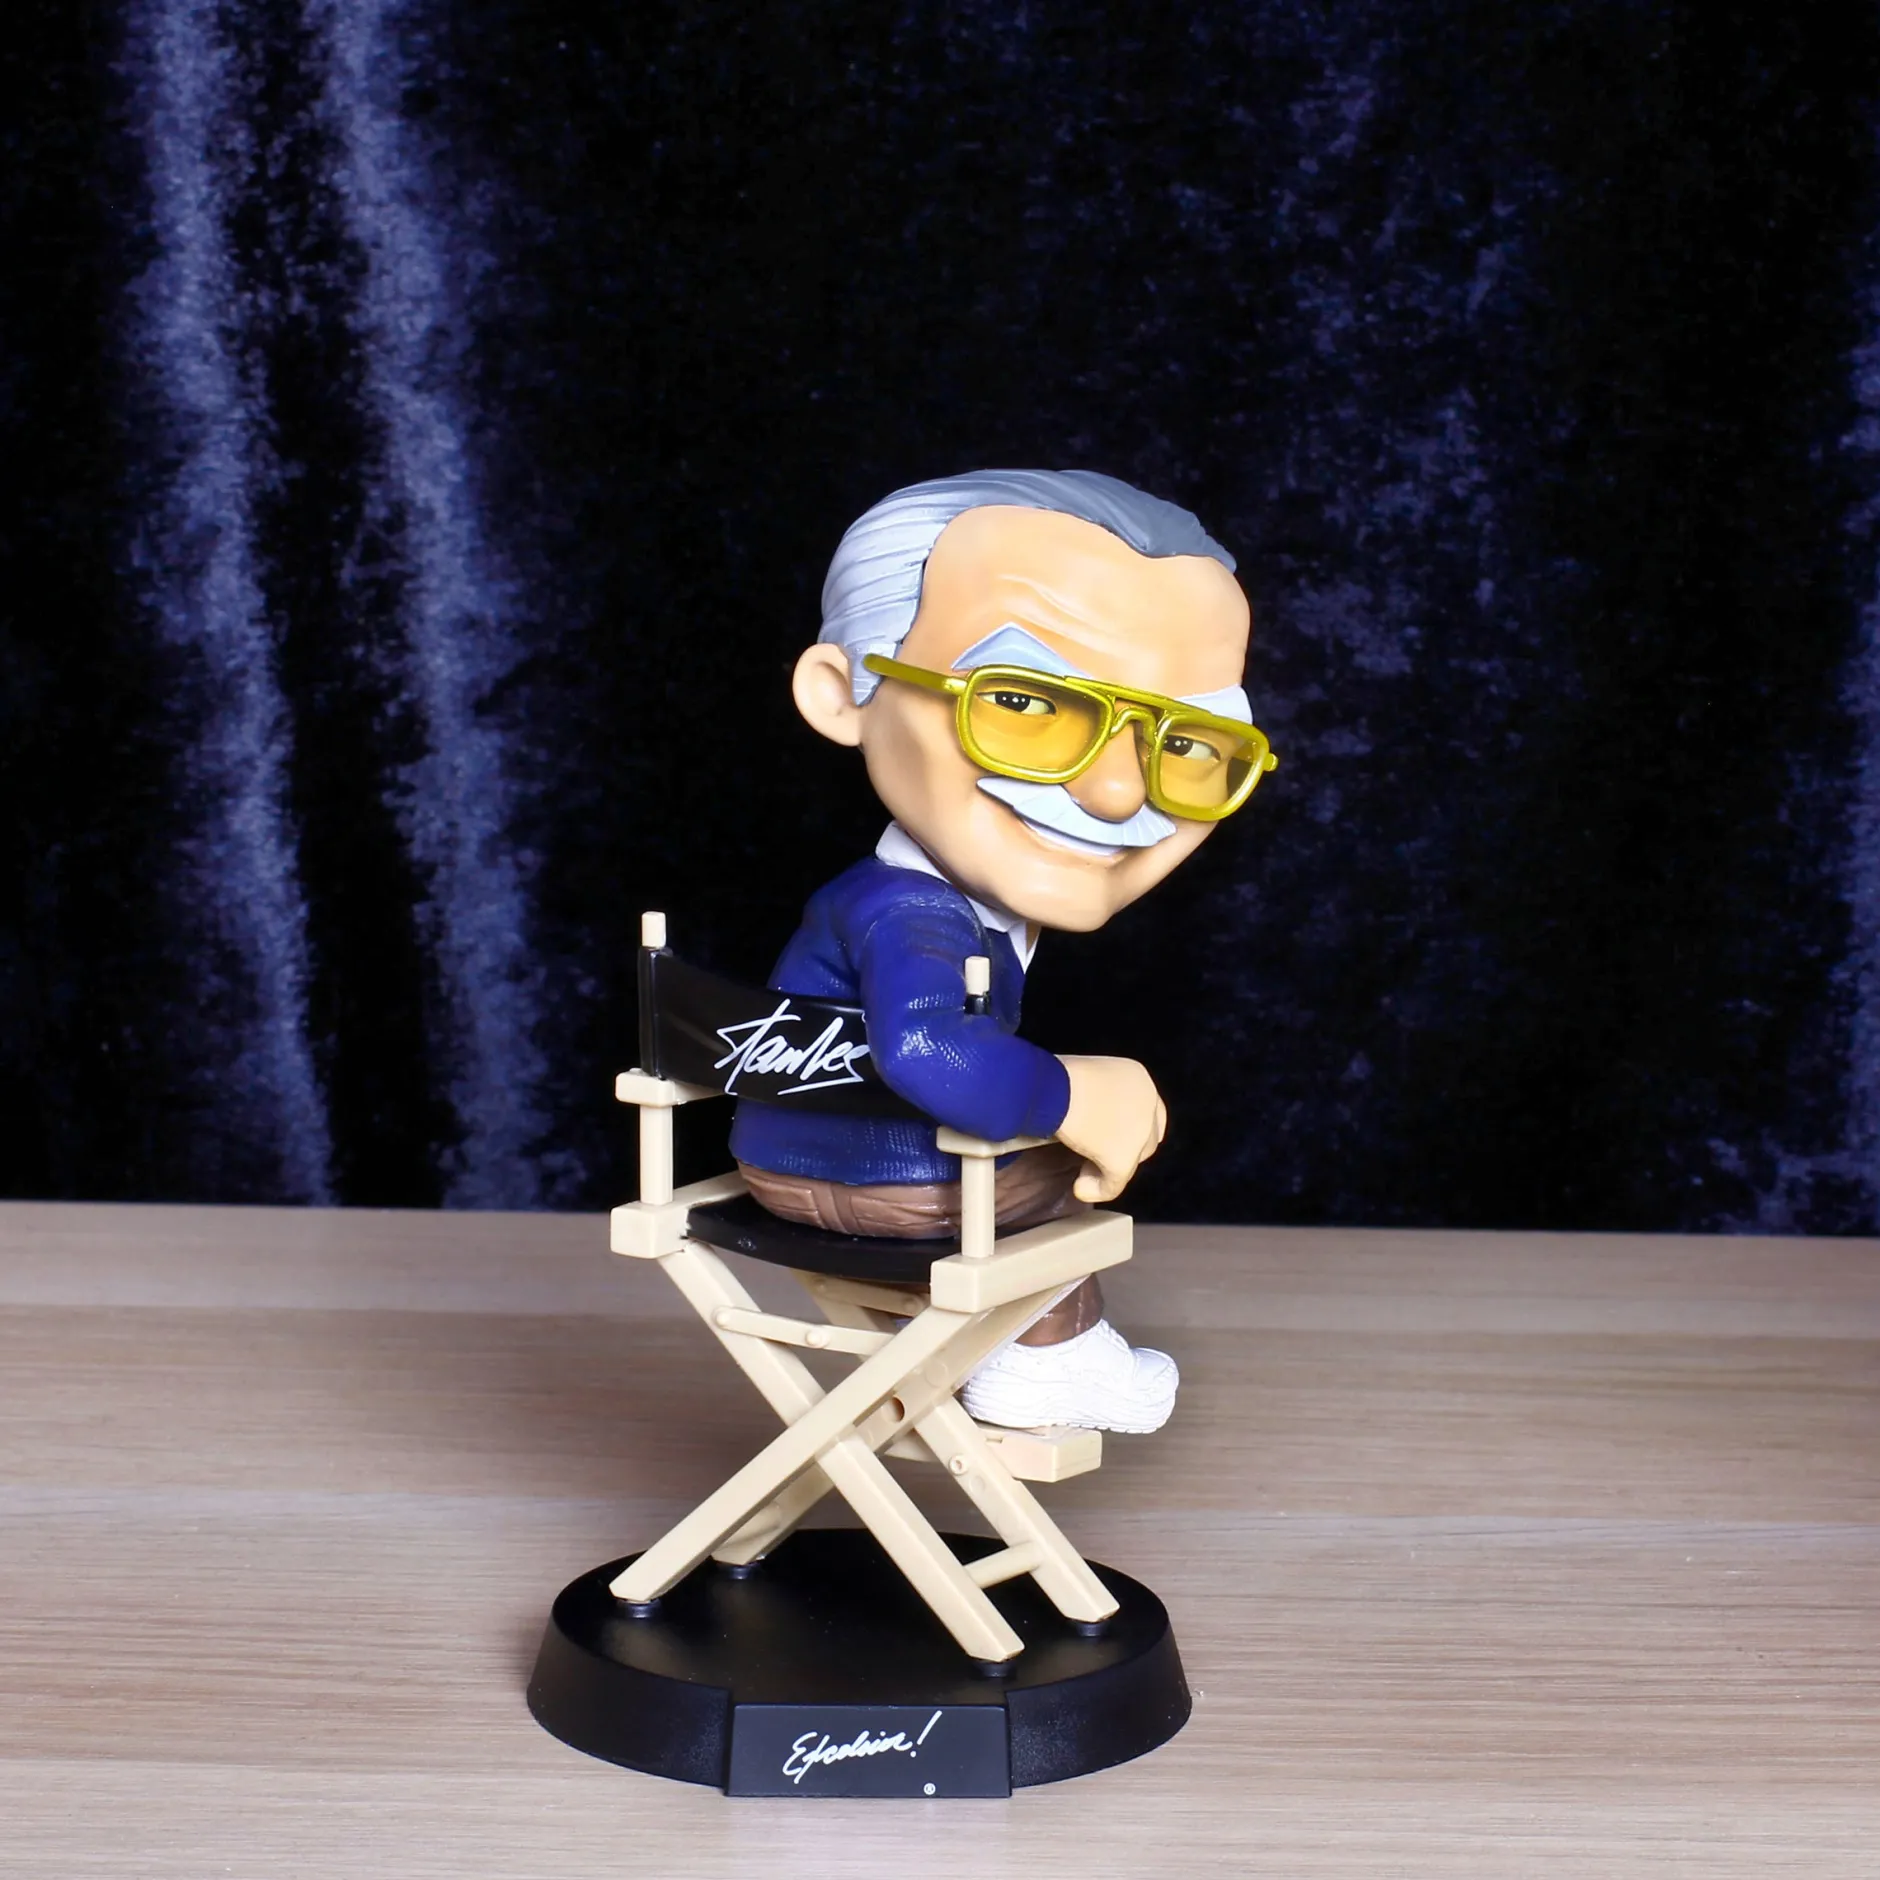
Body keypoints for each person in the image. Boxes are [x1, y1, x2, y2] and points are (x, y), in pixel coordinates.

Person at [729, 469, 1274, 1433]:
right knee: (1058, 1193)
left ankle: (1011, 1354)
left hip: (814, 1150)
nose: (1116, 792)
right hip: (860, 1170)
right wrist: (1073, 1091)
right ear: (842, 694)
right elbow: (922, 1048)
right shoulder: (911, 915)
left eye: (1190, 742)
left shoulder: (916, 903)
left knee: (1040, 1166)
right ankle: (1049, 1361)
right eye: (1024, 702)